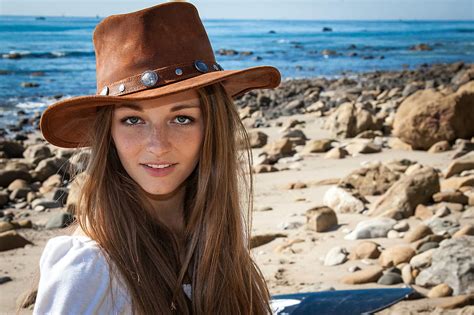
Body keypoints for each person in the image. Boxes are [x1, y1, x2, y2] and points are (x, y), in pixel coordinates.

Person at [29, 1, 281, 314]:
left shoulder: (216, 238)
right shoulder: (90, 268)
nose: (158, 146)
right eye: (133, 120)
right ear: (109, 134)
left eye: (182, 118)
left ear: (212, 127)